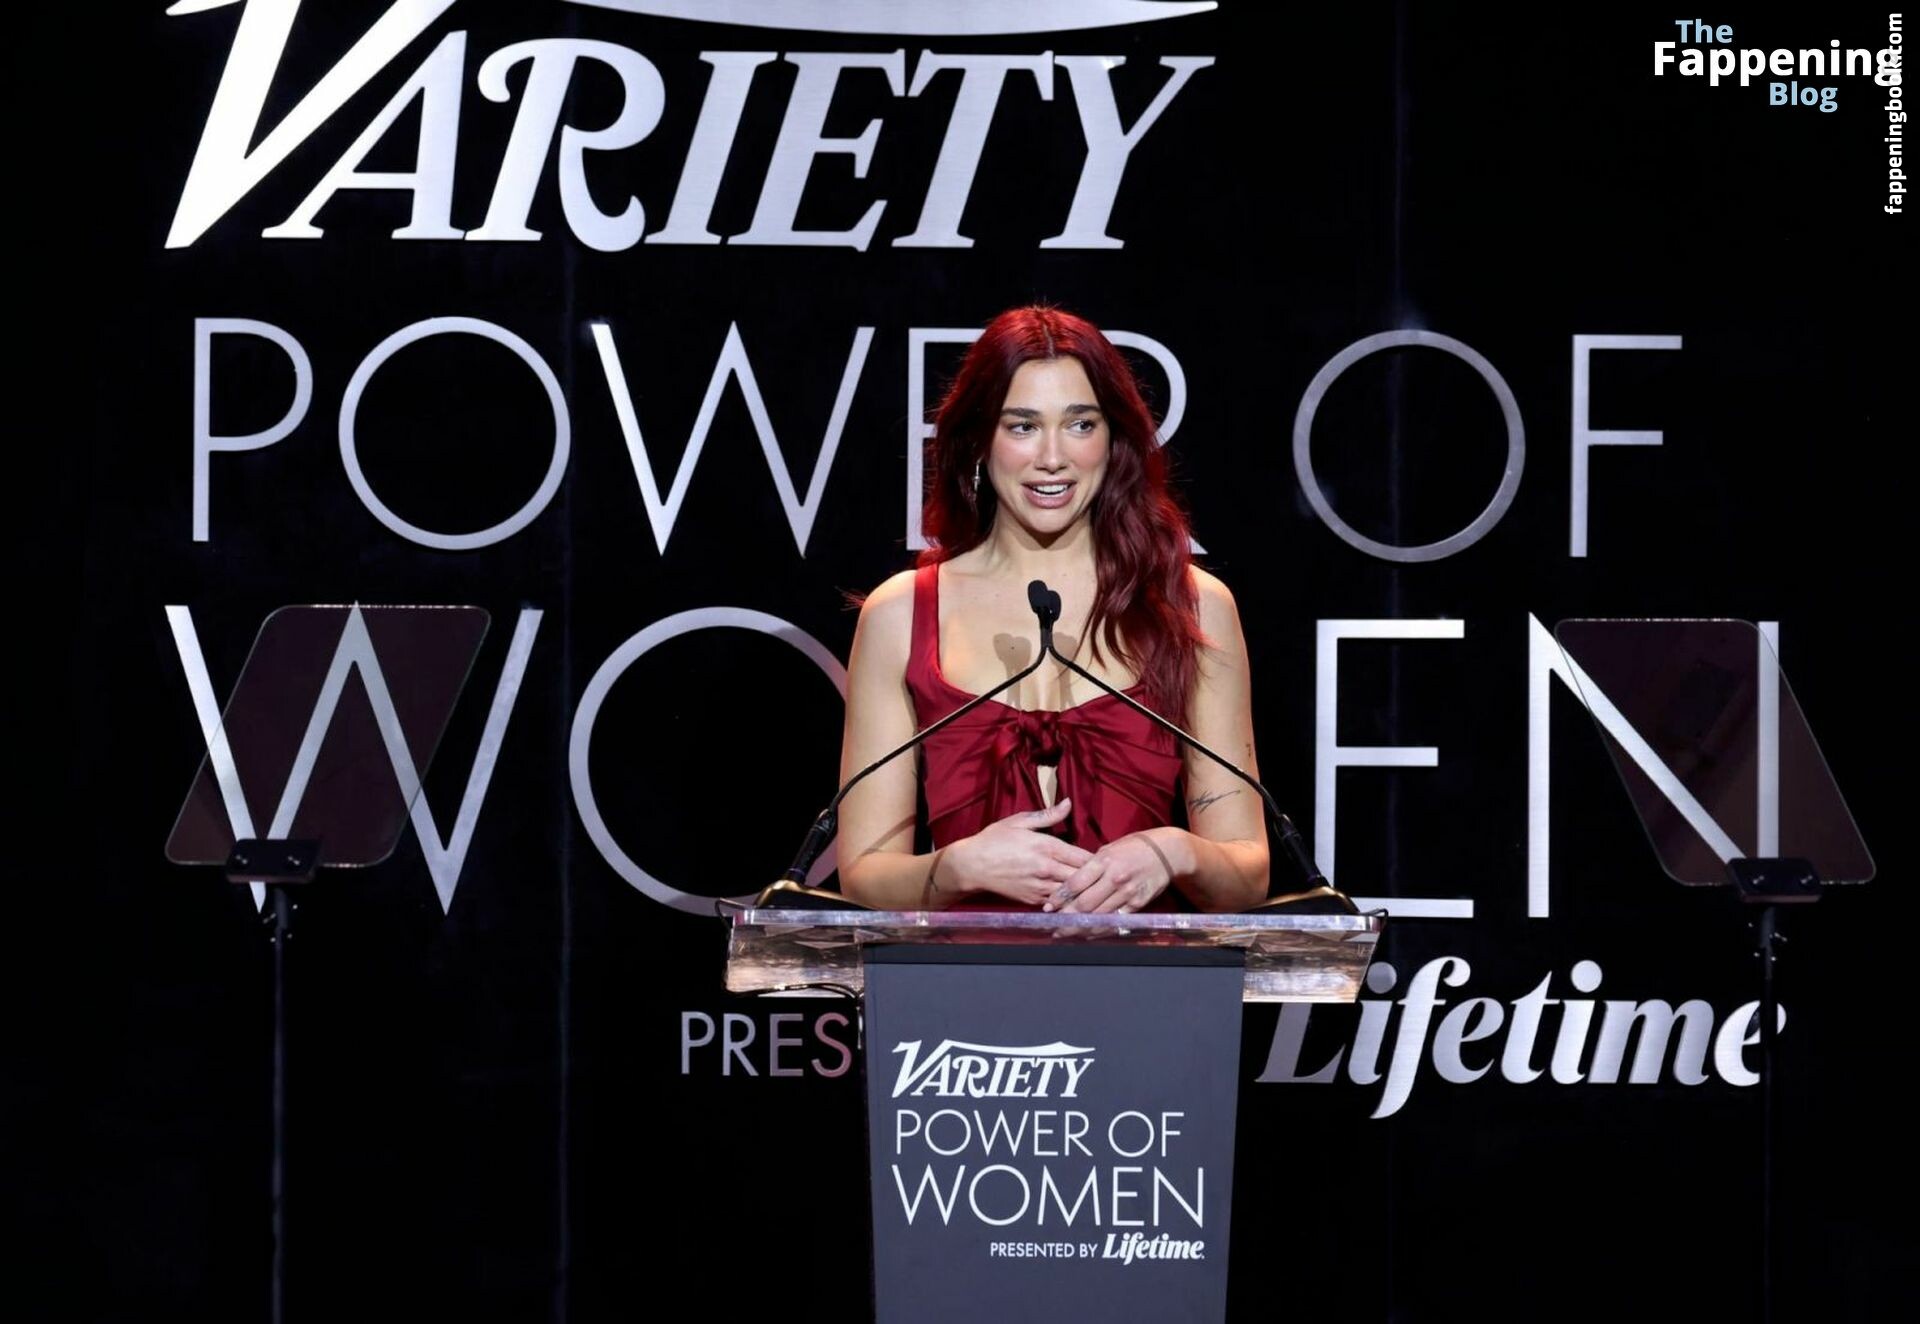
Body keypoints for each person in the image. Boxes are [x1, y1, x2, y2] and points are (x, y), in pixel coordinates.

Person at [836, 306, 1269, 913]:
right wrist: (956, 867)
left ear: (1114, 439)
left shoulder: (1192, 606)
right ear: (979, 440)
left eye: (1080, 424)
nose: (1053, 457)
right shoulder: (901, 614)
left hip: (1148, 968)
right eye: (1022, 426)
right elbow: (864, 876)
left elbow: (1248, 875)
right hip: (954, 970)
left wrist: (1174, 852)